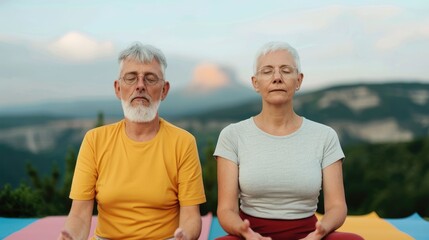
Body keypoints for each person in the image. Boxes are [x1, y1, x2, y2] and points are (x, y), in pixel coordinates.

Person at [213, 42, 363, 240]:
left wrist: (320, 232)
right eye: (267, 71)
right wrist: (245, 232)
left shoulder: (324, 136)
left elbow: (337, 207)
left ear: (298, 80)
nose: (277, 78)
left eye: (286, 70)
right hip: (251, 235)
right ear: (255, 82)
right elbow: (226, 210)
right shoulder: (232, 135)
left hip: (310, 235)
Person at [58, 42, 206, 240]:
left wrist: (185, 236)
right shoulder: (95, 141)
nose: (140, 85)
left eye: (150, 78)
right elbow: (79, 215)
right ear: (118, 88)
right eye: (131, 77)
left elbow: (190, 216)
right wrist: (71, 237)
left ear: (164, 90)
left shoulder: (183, 142)